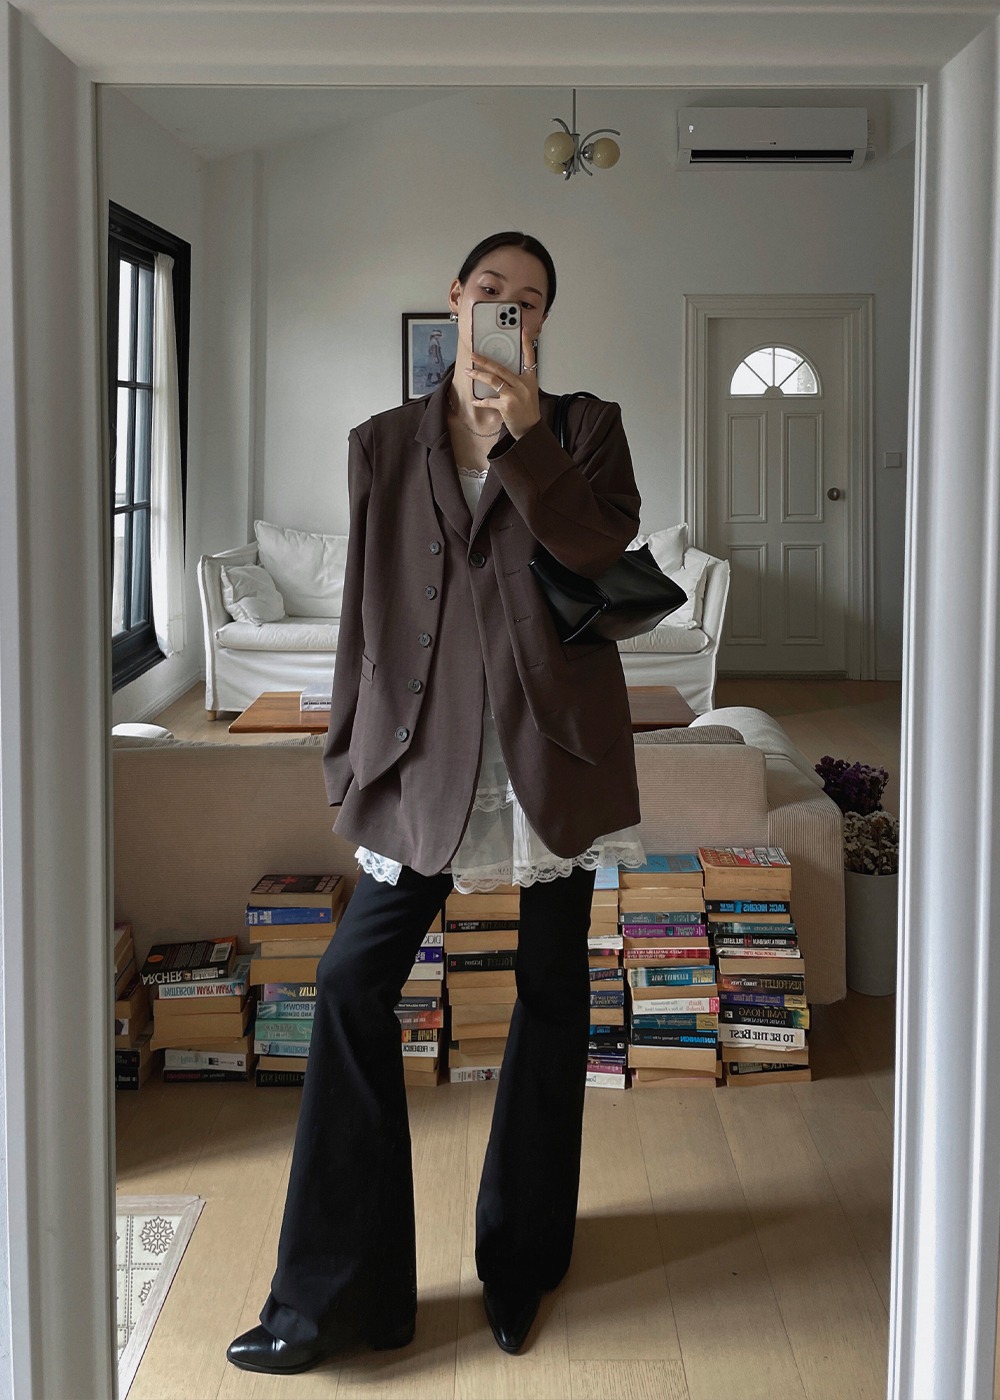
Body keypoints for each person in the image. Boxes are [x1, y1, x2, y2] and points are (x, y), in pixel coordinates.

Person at [226, 231, 645, 1376]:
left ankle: (523, 1259)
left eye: (530, 300)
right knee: (349, 981)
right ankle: (336, 1293)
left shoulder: (585, 427)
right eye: (491, 290)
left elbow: (600, 553)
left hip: (552, 751)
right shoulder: (382, 441)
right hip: (421, 757)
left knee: (550, 995)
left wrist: (527, 440)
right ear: (456, 299)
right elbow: (364, 612)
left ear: (543, 321)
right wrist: (345, 756)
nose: (509, 309)